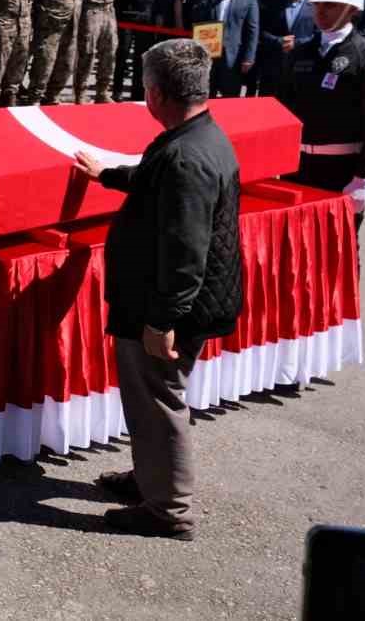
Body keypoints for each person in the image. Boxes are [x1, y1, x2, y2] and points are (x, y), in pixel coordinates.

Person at [72, 39, 242, 540]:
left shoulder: (186, 156)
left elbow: (185, 254)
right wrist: (107, 175)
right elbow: (155, 183)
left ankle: (168, 509)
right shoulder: (197, 137)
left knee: (158, 401)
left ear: (157, 94)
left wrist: (161, 321)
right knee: (152, 400)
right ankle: (151, 476)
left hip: (166, 306)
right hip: (178, 299)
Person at [277, 0, 365, 223]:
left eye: (330, 5)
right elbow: (283, 109)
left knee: (337, 243)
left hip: (341, 170)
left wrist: (363, 177)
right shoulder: (299, 54)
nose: (320, 11)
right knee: (295, 240)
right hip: (297, 167)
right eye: (317, 5)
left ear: (352, 9)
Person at [20, 0, 82, 105]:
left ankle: (53, 96)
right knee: (44, 64)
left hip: (72, 27)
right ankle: (35, 97)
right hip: (49, 29)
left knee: (67, 64)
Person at [254, 0, 316, 97]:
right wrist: (278, 41)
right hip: (273, 67)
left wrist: (297, 43)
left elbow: (319, 34)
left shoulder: (316, 7)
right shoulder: (271, 4)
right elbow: (260, 30)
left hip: (303, 67)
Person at [204, 0, 259, 98]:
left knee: (230, 95)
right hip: (208, 53)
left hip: (233, 55)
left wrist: (249, 57)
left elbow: (252, 30)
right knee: (205, 94)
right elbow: (196, 15)